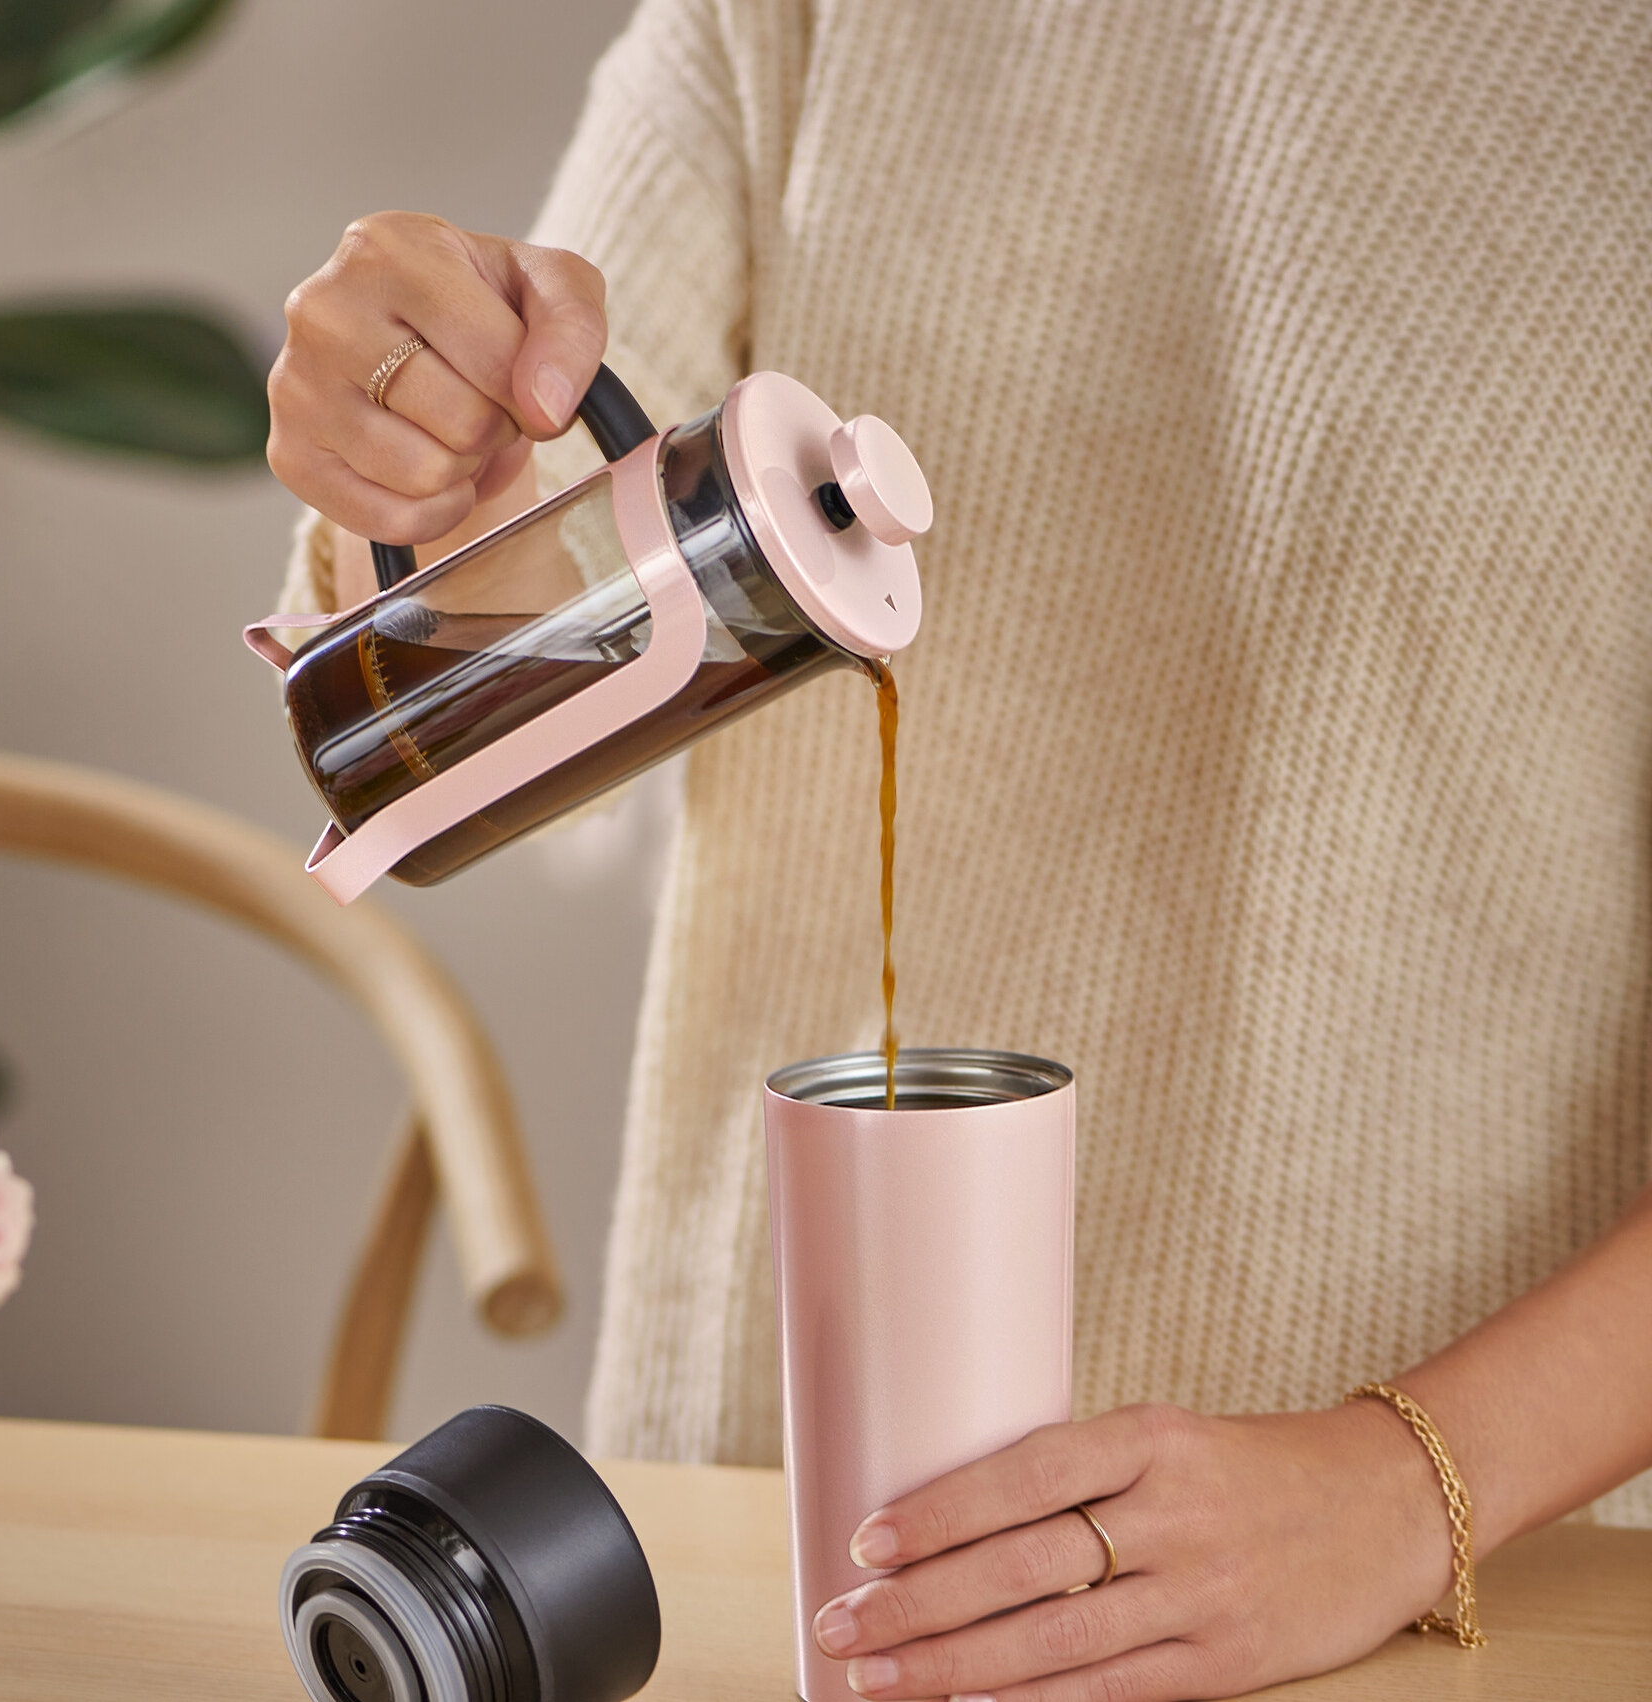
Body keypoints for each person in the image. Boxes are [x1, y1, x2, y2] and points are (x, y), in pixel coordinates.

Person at [266, 3, 1652, 1697]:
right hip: (753, 1549)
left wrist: (1398, 1485)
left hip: (1400, 1607)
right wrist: (413, 450)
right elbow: (482, 620)